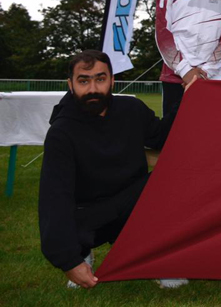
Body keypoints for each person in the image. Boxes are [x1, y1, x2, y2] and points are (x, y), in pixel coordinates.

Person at [39, 50, 191, 290]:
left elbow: (162, 137)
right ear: (70, 84)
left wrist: (188, 95)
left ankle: (157, 258)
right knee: (69, 220)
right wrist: (69, 261)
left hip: (130, 203)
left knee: (170, 180)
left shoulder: (131, 109)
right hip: (88, 215)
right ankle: (82, 255)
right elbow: (54, 200)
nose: (92, 89)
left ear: (112, 81)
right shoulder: (61, 132)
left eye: (100, 79)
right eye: (83, 80)